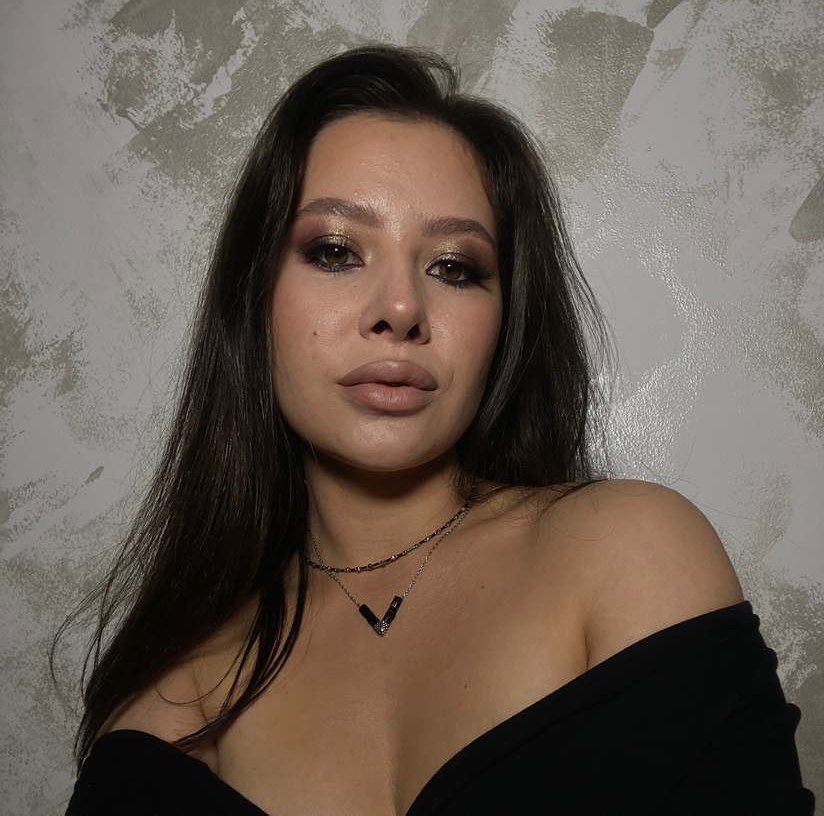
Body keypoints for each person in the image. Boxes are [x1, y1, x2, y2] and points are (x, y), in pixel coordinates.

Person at [61, 45, 814, 814]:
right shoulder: (172, 705)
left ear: (504, 324)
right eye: (335, 251)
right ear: (253, 298)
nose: (401, 309)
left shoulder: (626, 553)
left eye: (454, 267)